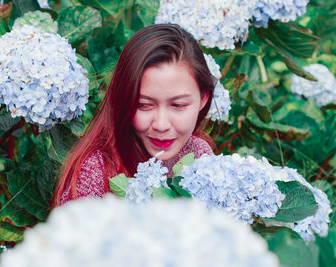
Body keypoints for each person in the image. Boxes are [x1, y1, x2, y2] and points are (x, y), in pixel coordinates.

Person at [52, 24, 218, 206]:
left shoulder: (198, 155)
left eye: (178, 105)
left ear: (203, 99)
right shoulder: (94, 174)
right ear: (123, 99)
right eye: (144, 105)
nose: (161, 125)